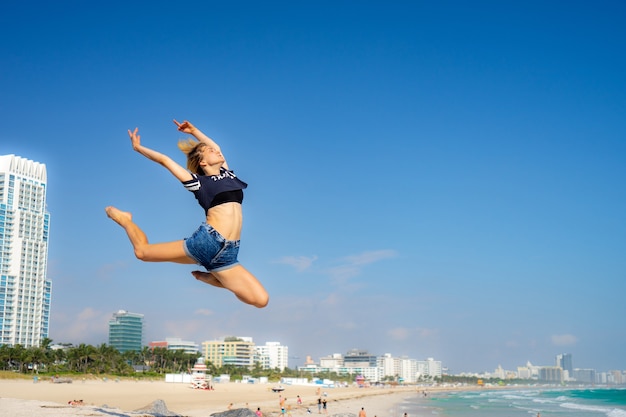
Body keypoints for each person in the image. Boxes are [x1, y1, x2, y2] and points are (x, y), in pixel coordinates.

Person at [105, 120, 269, 308]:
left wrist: (194, 131)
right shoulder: (198, 182)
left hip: (229, 253)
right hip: (207, 242)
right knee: (142, 252)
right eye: (210, 151)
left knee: (261, 300)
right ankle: (125, 220)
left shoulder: (228, 175)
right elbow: (164, 160)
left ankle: (213, 278)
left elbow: (217, 146)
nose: (217, 151)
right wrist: (138, 148)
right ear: (203, 162)